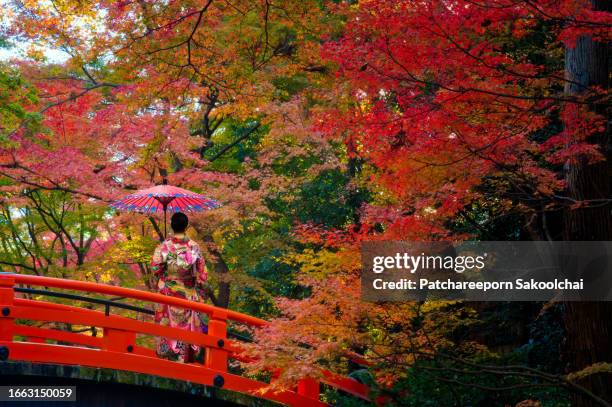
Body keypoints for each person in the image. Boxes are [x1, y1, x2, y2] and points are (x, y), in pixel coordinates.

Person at [151, 212, 207, 363]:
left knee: (167, 324)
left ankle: (168, 358)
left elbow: (155, 269)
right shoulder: (194, 247)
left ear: (171, 226)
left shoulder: (164, 246)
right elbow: (203, 275)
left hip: (168, 293)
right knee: (188, 327)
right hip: (188, 293)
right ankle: (184, 358)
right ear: (187, 226)